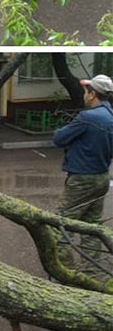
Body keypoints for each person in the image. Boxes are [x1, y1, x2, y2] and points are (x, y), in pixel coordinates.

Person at [51, 74, 113, 278]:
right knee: (91, 228)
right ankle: (92, 274)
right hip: (102, 177)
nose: (84, 94)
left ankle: (66, 274)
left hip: (82, 180)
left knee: (59, 226)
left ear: (93, 94)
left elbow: (59, 138)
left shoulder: (89, 117)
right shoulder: (110, 116)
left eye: (86, 91)